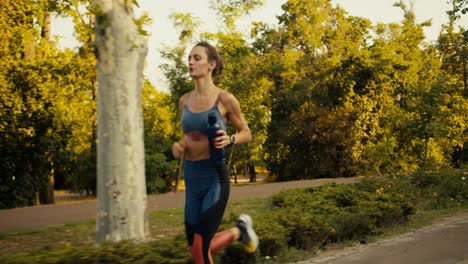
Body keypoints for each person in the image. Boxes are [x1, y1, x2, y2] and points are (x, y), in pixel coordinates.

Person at [172, 41, 259, 264]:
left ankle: (239, 231)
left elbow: (246, 133)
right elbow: (189, 137)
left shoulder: (225, 100)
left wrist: (230, 139)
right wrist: (178, 147)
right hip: (192, 180)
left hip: (214, 178)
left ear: (211, 64)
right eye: (189, 58)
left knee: (200, 248)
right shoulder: (184, 101)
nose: (191, 62)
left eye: (197, 58)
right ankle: (239, 231)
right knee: (196, 248)